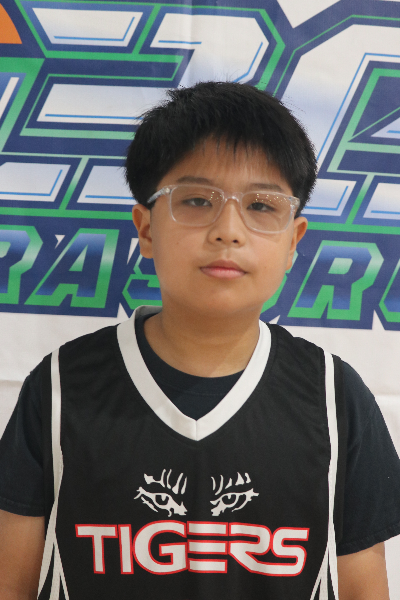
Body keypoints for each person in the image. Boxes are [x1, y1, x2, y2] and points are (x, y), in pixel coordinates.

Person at [1, 82, 400, 600]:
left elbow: (365, 588)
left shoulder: (335, 397)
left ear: (293, 242)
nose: (228, 230)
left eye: (262, 206)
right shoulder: (59, 388)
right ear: (146, 230)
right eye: (195, 200)